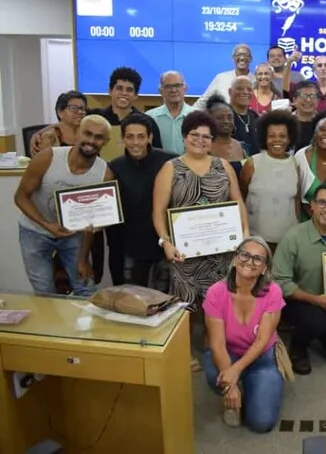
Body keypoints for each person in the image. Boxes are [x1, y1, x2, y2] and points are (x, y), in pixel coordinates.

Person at [152, 110, 248, 325]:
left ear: (212, 141)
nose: (200, 140)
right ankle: (189, 353)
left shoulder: (222, 166)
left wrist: (245, 235)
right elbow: (158, 212)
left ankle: (212, 349)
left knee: (220, 308)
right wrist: (165, 242)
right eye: (194, 135)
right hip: (185, 254)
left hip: (221, 253)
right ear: (185, 137)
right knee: (187, 311)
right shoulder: (170, 169)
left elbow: (238, 202)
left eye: (206, 136)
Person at [15, 115, 111, 295]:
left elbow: (90, 223)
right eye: (87, 133)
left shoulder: (104, 174)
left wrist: (83, 259)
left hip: (73, 234)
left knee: (86, 288)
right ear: (77, 133)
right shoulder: (47, 158)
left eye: (98, 137)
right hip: (34, 231)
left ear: (105, 141)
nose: (91, 140)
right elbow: (20, 197)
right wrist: (47, 225)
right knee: (44, 290)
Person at [272, 184, 326, 375]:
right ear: (312, 206)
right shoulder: (293, 237)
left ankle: (320, 333)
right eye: (322, 203)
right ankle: (298, 346)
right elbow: (280, 282)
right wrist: (315, 300)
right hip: (298, 300)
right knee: (314, 321)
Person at [203, 236, 285, 432]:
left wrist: (235, 371)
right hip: (228, 353)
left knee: (261, 423)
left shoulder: (273, 292)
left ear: (265, 268)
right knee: (216, 373)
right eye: (245, 255)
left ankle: (250, 384)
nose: (250, 262)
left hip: (261, 356)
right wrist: (230, 385)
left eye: (258, 259)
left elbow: (262, 340)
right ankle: (234, 390)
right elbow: (217, 344)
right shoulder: (216, 292)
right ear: (235, 258)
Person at [107, 114, 176, 287]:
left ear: (150, 137)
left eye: (141, 137)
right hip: (131, 246)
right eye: (130, 137)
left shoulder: (170, 161)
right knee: (133, 300)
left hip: (164, 243)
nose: (135, 142)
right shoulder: (114, 166)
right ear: (122, 138)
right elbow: (107, 206)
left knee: (163, 299)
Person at [31, 67, 162, 153]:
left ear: (136, 95)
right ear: (110, 91)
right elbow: (69, 122)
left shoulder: (146, 122)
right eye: (119, 88)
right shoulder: (93, 117)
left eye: (129, 90)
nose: (124, 93)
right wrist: (39, 133)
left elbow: (157, 154)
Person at [240, 110, 301, 252]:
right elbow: (241, 197)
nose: (277, 140)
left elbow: (296, 199)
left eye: (282, 136)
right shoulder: (252, 163)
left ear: (290, 138)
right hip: (256, 240)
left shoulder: (295, 164)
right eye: (272, 136)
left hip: (287, 241)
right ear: (264, 138)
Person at [147, 71, 194, 155]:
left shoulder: (198, 116)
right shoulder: (149, 117)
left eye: (178, 85)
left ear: (185, 88)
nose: (174, 90)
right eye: (168, 86)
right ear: (161, 91)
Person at [197, 44, 255, 109]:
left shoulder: (256, 81)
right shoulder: (221, 78)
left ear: (250, 59)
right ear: (233, 58)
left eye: (245, 55)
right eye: (238, 55)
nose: (242, 58)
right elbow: (202, 102)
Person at [207, 95, 247, 165]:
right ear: (210, 120)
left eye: (229, 117)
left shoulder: (243, 147)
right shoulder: (205, 148)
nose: (226, 121)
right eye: (220, 118)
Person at [229, 75, 259, 153]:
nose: (245, 92)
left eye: (249, 89)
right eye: (239, 88)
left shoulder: (255, 116)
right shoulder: (223, 116)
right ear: (230, 92)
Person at [292, 80, 321, 149]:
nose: (308, 100)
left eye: (312, 96)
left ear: (318, 100)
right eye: (303, 96)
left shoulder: (323, 123)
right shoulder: (286, 122)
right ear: (294, 100)